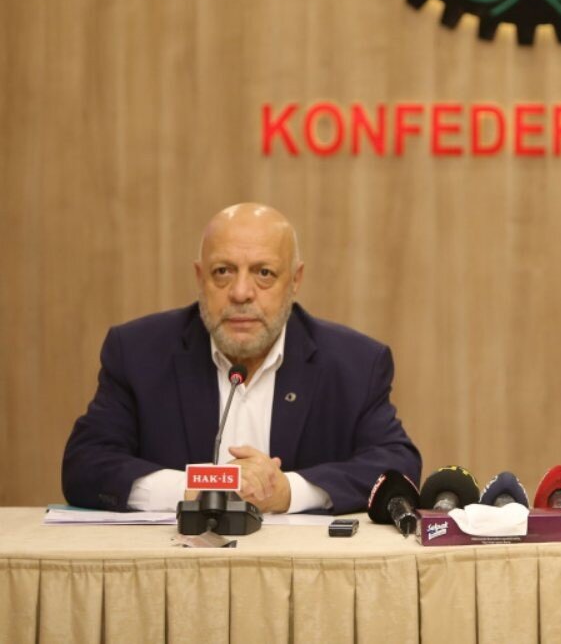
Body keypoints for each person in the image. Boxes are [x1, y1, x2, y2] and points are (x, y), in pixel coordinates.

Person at [62, 203, 421, 514]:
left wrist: (287, 491)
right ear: (200, 277)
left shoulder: (355, 364)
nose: (241, 292)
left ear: (295, 280)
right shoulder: (138, 352)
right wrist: (195, 489)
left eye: (264, 273)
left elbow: (397, 467)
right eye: (223, 272)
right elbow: (85, 465)